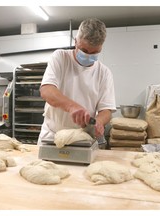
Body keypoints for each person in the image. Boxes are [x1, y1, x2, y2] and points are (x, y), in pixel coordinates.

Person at [37, 18, 116, 146]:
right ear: (76, 42)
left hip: (83, 139)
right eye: (84, 50)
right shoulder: (61, 58)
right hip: (52, 137)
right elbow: (46, 90)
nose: (89, 55)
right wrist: (72, 107)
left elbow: (106, 110)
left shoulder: (104, 73)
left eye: (95, 53)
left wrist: (99, 122)